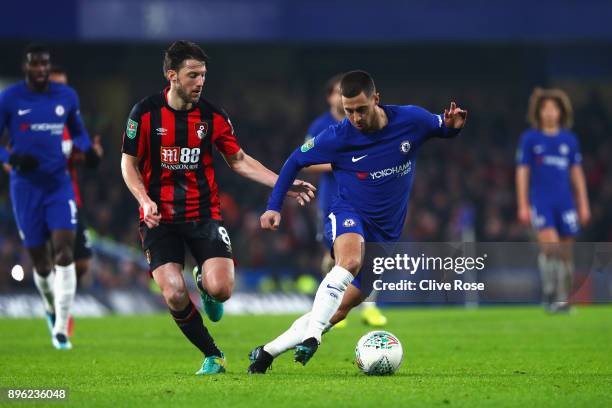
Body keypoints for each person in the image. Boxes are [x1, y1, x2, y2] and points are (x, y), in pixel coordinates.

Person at [248, 70, 467, 373]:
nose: (355, 117)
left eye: (361, 109)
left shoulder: (411, 120)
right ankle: (313, 337)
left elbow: (443, 127)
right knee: (348, 262)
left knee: (337, 311)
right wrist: (274, 206)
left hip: (386, 232)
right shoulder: (339, 136)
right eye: (348, 110)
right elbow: (295, 160)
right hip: (348, 212)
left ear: (376, 99)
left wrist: (453, 126)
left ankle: (266, 353)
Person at [120, 40, 315, 375]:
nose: (200, 82)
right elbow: (128, 164)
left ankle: (204, 281)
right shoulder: (145, 113)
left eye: (203, 75)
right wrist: (144, 199)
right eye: (193, 75)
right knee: (173, 293)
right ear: (172, 76)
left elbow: (238, 160)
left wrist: (282, 184)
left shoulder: (211, 116)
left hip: (203, 214)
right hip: (159, 218)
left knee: (221, 290)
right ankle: (213, 354)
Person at [0, 44, 96, 350]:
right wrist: (11, 159)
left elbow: (78, 132)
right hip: (25, 187)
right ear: (26, 67)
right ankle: (50, 307)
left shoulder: (66, 97)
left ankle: (61, 329)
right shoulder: (9, 98)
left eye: (45, 65)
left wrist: (87, 149)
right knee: (41, 263)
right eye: (35, 65)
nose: (41, 70)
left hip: (59, 185)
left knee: (65, 254)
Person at [302, 74, 387, 328]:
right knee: (336, 258)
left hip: (364, 198)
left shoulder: (364, 123)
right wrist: (339, 163)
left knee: (368, 254)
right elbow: (307, 161)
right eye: (337, 92)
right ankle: (333, 305)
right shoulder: (321, 125)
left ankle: (369, 308)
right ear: (330, 97)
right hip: (332, 201)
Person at [516, 88, 590, 313]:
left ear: (560, 112)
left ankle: (562, 299)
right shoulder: (530, 138)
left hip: (565, 202)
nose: (549, 112)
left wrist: (583, 203)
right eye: (545, 108)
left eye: (553, 108)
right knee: (551, 246)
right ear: (538, 112)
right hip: (541, 201)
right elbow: (522, 172)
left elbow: (576, 173)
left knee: (566, 252)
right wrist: (523, 204)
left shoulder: (569, 140)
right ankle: (549, 292)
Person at [49, 66, 104, 284]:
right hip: (44, 199)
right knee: (58, 257)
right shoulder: (33, 121)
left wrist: (93, 154)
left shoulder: (71, 122)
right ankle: (57, 309)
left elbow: (85, 156)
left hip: (72, 198)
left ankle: (58, 301)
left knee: (81, 263)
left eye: (64, 86)